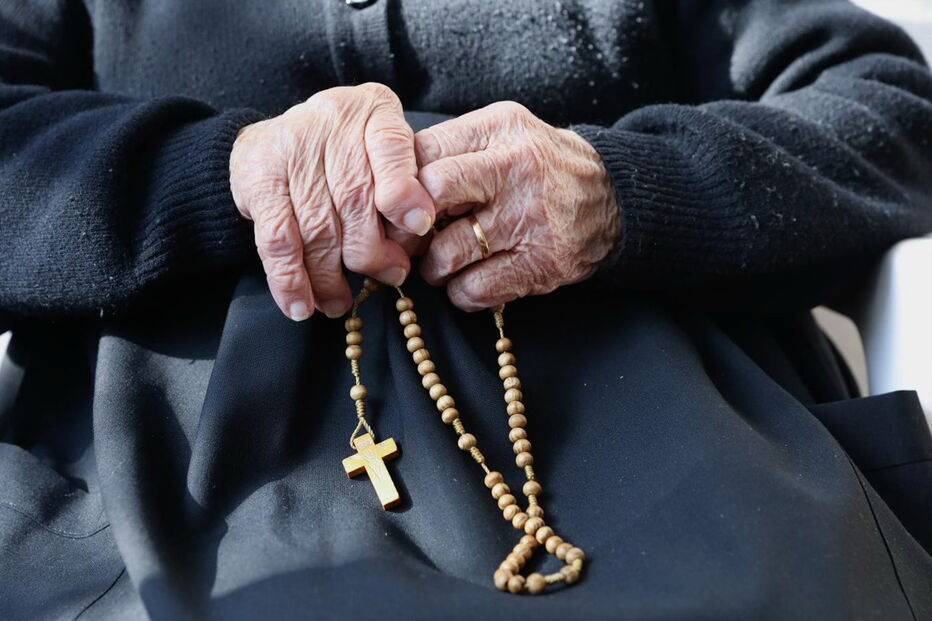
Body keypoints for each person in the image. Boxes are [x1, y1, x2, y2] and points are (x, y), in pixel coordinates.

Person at [0, 0, 930, 618]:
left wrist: (621, 189)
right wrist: (226, 175)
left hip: (658, 428)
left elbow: (891, 112)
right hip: (177, 457)